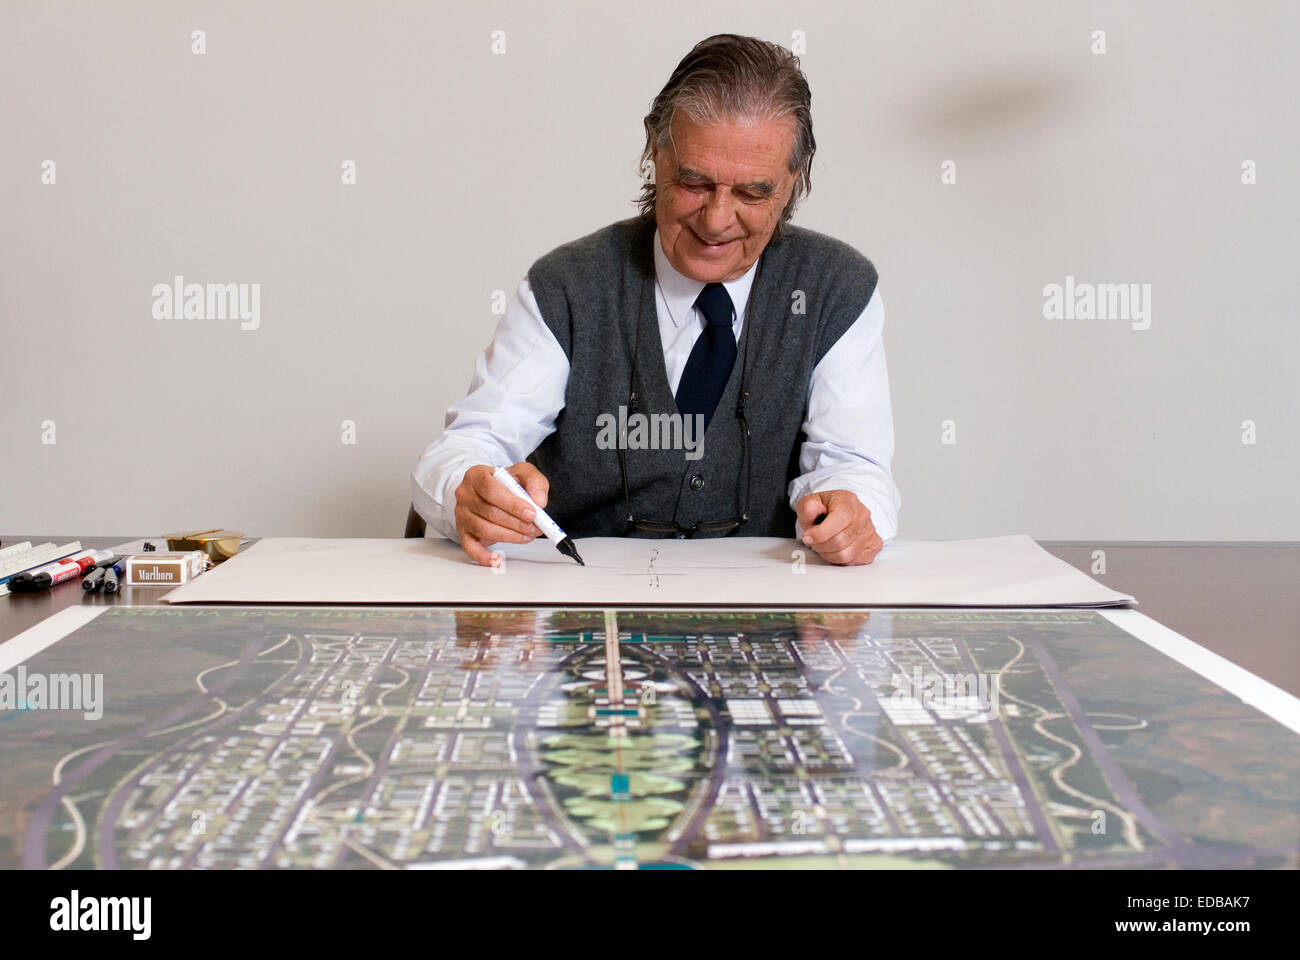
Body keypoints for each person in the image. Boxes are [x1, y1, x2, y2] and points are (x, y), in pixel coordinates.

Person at [412, 34, 900, 568]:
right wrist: (470, 489)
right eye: (694, 182)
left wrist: (853, 509)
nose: (715, 220)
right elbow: (469, 446)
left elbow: (852, 464)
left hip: (762, 612)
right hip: (582, 612)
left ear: (794, 180)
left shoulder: (835, 289)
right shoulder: (568, 286)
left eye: (752, 193)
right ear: (654, 150)